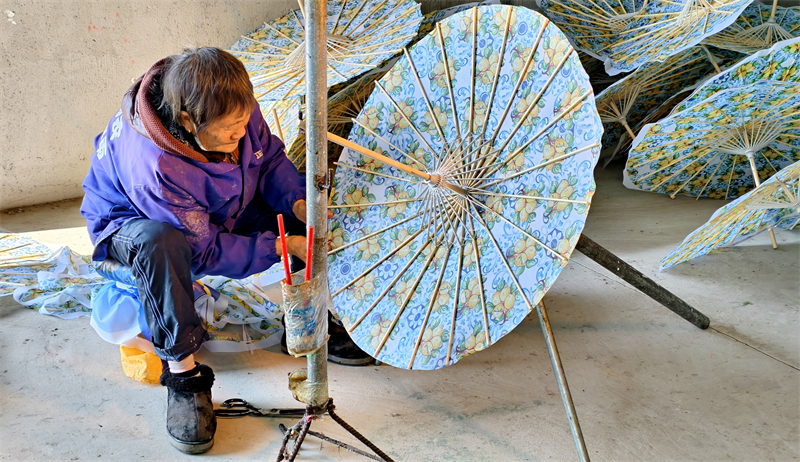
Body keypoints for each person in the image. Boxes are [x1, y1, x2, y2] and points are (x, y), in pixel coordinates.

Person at [80, 47, 370, 455]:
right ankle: (183, 380)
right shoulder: (155, 166)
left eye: (243, 121)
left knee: (309, 209)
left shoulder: (230, 103)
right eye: (229, 129)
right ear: (186, 121)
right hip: (135, 225)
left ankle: (307, 320)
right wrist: (280, 245)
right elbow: (205, 251)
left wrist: (298, 202)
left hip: (214, 200)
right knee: (161, 246)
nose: (241, 132)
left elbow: (267, 160)